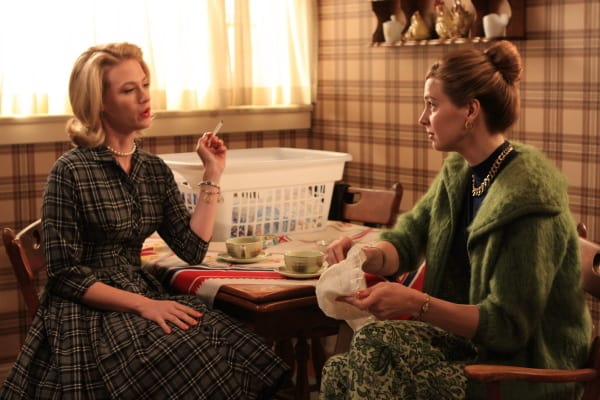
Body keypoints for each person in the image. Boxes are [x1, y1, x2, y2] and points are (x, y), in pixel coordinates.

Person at [0, 42, 289, 399]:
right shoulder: (70, 171)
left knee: (231, 346)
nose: (144, 97)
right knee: (186, 354)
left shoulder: (153, 169)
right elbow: (64, 277)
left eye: (145, 84)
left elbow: (192, 247)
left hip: (139, 290)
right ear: (99, 103)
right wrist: (146, 305)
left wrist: (212, 172)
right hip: (87, 308)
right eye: (128, 89)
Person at [320, 40, 591, 400]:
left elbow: (508, 327)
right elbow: (407, 240)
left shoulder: (530, 200)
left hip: (525, 368)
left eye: (432, 105)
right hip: (468, 346)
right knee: (345, 364)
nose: (422, 118)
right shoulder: (459, 172)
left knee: (372, 358)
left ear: (471, 111)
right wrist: (364, 255)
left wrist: (416, 304)